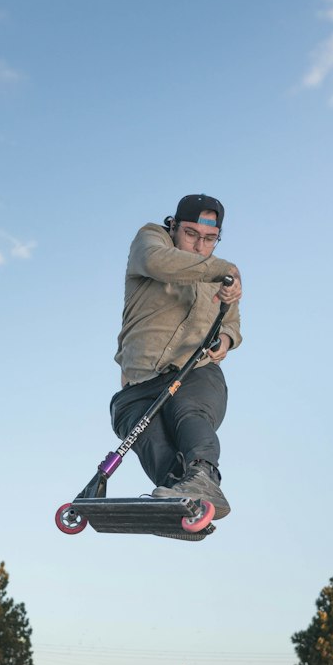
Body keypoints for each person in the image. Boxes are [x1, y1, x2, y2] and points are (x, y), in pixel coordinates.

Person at [110, 193, 242, 520]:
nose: (199, 246)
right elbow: (156, 261)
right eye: (192, 234)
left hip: (195, 372)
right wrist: (222, 269)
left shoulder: (220, 279)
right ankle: (180, 494)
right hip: (139, 382)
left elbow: (232, 323)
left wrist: (225, 341)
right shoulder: (151, 239)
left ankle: (203, 478)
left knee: (190, 411)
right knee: (142, 433)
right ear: (174, 227)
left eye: (210, 239)